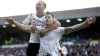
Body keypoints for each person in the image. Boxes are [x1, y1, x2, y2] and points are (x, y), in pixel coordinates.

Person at [5, 12, 96, 56]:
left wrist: (85, 23)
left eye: (49, 17)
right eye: (45, 17)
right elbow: (24, 27)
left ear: (53, 20)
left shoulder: (59, 30)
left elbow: (72, 28)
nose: (47, 18)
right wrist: (14, 22)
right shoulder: (39, 29)